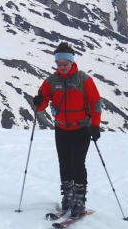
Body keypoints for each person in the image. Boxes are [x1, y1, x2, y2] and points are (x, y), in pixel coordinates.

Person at [32, 42, 102, 217]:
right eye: (59, 64)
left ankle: (79, 198)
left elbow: (96, 102)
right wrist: (38, 103)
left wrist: (95, 125)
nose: (62, 67)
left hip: (82, 129)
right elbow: (41, 104)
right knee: (64, 162)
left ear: (72, 62)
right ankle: (67, 195)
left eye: (65, 63)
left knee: (77, 162)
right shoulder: (51, 81)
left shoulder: (84, 79)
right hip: (61, 129)